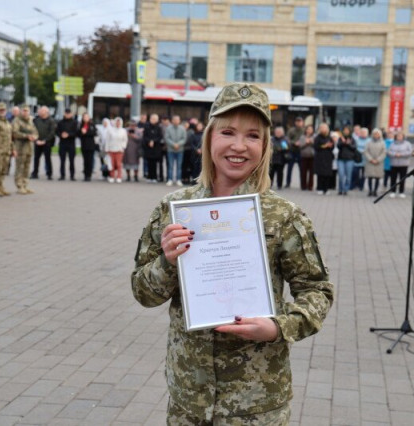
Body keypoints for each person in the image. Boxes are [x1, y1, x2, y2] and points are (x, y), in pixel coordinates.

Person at [131, 83, 333, 424]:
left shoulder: (284, 216)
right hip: (189, 398)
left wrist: (278, 327)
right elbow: (143, 293)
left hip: (256, 403)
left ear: (265, 145)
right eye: (227, 132)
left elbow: (317, 291)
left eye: (253, 136)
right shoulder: (174, 209)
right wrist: (167, 262)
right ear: (209, 137)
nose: (239, 146)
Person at [12, 105, 38, 194]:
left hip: (29, 148)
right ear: (21, 111)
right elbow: (15, 133)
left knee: (27, 167)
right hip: (20, 148)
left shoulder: (30, 121)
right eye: (24, 111)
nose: (25, 112)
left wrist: (34, 137)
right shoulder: (17, 120)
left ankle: (25, 185)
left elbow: (35, 132)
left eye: (27, 111)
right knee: (20, 167)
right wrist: (26, 136)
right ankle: (19, 186)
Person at [0, 103, 15, 196]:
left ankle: (1, 186)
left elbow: (10, 137)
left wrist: (13, 149)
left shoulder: (7, 122)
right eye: (0, 110)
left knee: (3, 170)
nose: (2, 112)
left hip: (7, 150)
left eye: (3, 110)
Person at [32, 106, 56, 180]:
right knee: (36, 158)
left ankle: (49, 174)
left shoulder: (51, 121)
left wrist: (45, 140)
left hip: (47, 143)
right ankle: (35, 173)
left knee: (47, 158)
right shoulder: (36, 120)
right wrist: (36, 140)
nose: (40, 112)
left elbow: (52, 132)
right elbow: (33, 130)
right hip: (37, 142)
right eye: (40, 111)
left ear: (46, 112)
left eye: (42, 111)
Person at [387, 131, 412, 198]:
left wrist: (401, 154)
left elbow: (410, 152)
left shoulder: (407, 144)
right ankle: (393, 191)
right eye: (398, 136)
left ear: (403, 137)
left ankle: (401, 191)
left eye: (401, 136)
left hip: (403, 164)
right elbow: (389, 152)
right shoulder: (392, 143)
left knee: (402, 178)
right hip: (394, 163)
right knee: (393, 178)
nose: (399, 137)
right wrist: (395, 154)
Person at [165, 115, 187, 186]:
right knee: (170, 165)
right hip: (171, 150)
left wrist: (178, 144)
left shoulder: (182, 128)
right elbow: (167, 138)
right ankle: (170, 179)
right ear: (172, 121)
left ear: (179, 121)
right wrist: (173, 144)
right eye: (175, 120)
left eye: (178, 120)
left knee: (179, 166)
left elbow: (184, 138)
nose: (176, 121)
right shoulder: (168, 128)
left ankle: (178, 179)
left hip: (180, 150)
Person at [364, 128, 386, 197]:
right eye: (375, 134)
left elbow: (384, 152)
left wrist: (378, 160)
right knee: (370, 177)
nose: (376, 135)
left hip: (378, 163)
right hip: (370, 162)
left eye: (377, 134)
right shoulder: (368, 142)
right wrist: (370, 159)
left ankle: (375, 191)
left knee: (377, 177)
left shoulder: (382, 143)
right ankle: (370, 190)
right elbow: (366, 151)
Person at [56, 108, 77, 181]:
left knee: (72, 161)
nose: (67, 115)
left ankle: (72, 175)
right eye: (66, 113)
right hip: (62, 143)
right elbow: (57, 131)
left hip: (71, 143)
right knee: (62, 161)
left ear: (71, 114)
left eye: (69, 113)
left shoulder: (74, 122)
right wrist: (61, 135)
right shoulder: (60, 122)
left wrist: (69, 135)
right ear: (64, 114)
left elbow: (76, 132)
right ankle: (62, 175)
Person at [313, 122, 333, 195]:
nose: (324, 129)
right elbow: (316, 147)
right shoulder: (317, 137)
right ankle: (320, 188)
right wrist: (324, 146)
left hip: (328, 157)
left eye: (325, 128)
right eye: (322, 128)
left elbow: (332, 146)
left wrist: (331, 146)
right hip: (320, 157)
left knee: (327, 174)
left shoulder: (329, 137)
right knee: (320, 174)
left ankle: (326, 189)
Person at [105, 117, 127, 183]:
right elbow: (107, 140)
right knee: (111, 164)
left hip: (119, 150)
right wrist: (107, 149)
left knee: (118, 164)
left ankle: (119, 176)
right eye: (117, 122)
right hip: (111, 149)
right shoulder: (110, 130)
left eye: (119, 122)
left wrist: (123, 147)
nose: (118, 124)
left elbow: (125, 140)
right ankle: (112, 176)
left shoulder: (123, 131)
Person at [143, 114, 163, 183]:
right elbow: (144, 136)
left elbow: (160, 137)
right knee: (149, 163)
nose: (153, 120)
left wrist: (153, 141)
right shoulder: (147, 127)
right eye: (152, 119)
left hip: (156, 148)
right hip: (148, 147)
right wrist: (149, 141)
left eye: (154, 119)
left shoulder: (159, 127)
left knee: (154, 163)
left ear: (157, 120)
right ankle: (149, 176)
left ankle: (154, 177)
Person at [337, 126, 357, 195]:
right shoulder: (340, 138)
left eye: (347, 130)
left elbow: (354, 148)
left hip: (350, 160)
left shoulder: (352, 139)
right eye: (345, 130)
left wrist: (348, 144)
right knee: (341, 175)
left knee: (348, 176)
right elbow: (338, 146)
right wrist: (343, 142)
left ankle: (346, 189)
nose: (346, 131)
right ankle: (340, 189)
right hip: (341, 159)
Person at [285, 116, 304, 188]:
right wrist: (294, 143)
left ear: (302, 122)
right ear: (295, 122)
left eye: (300, 121)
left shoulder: (304, 131)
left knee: (301, 169)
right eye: (297, 121)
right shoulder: (291, 130)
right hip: (292, 151)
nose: (298, 123)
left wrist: (300, 143)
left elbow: (306, 138)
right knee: (289, 168)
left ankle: (302, 184)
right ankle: (288, 183)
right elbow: (287, 139)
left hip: (300, 151)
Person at [77, 113, 97, 182]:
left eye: (87, 117)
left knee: (90, 161)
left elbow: (94, 133)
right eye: (84, 117)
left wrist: (86, 132)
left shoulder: (92, 125)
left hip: (91, 146)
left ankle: (89, 175)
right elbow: (78, 134)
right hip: (84, 145)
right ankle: (85, 175)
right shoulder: (81, 125)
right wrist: (81, 132)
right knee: (85, 161)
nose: (85, 118)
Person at [269, 126, 288, 190]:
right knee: (271, 173)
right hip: (272, 158)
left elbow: (286, 149)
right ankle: (270, 184)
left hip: (281, 159)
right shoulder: (272, 139)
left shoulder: (284, 139)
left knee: (280, 173)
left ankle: (279, 185)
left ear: (282, 133)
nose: (278, 133)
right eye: (277, 132)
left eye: (279, 132)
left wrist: (280, 149)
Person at [299, 124, 315, 191]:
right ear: (306, 130)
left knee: (311, 172)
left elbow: (316, 145)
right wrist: (306, 143)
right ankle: (303, 186)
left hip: (312, 157)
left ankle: (310, 186)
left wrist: (311, 142)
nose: (309, 130)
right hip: (304, 156)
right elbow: (300, 146)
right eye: (308, 129)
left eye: (311, 129)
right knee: (303, 172)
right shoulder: (302, 137)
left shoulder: (314, 137)